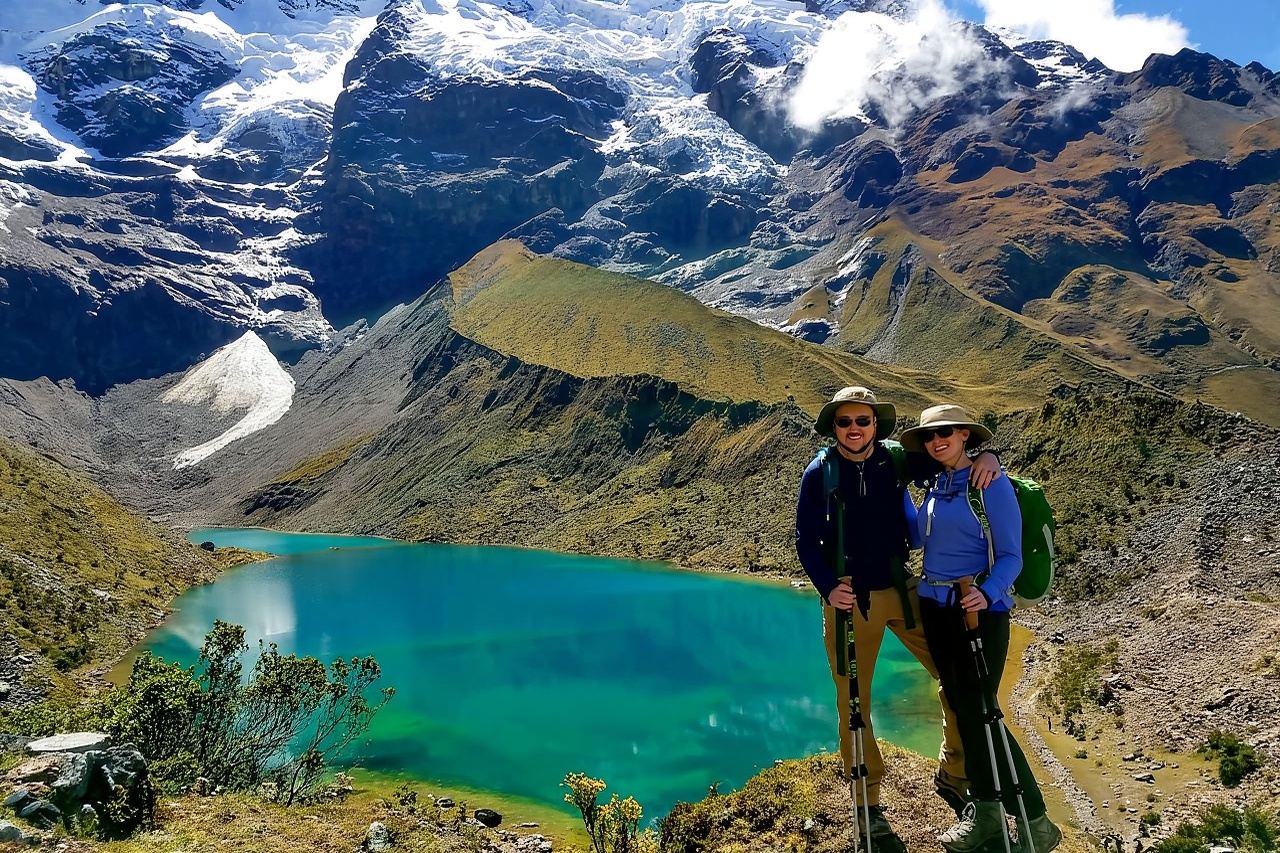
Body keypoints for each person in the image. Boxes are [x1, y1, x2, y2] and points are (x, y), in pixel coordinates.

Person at [794, 387, 1001, 840]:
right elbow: (805, 541)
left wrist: (989, 457)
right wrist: (829, 588)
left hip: (904, 590)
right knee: (854, 702)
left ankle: (956, 771)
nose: (854, 429)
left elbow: (951, 458)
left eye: (862, 421)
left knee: (955, 675)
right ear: (834, 427)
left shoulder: (895, 460)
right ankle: (867, 802)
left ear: (875, 425)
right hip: (851, 599)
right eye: (845, 422)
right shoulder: (819, 473)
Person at [901, 404, 1062, 853]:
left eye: (947, 433)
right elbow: (917, 538)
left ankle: (1035, 818)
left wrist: (988, 593)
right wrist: (895, 487)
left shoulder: (990, 485)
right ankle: (987, 811)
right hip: (937, 610)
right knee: (963, 708)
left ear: (966, 436)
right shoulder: (935, 486)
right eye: (930, 436)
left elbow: (1011, 555)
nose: (937, 441)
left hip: (978, 614)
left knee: (984, 715)